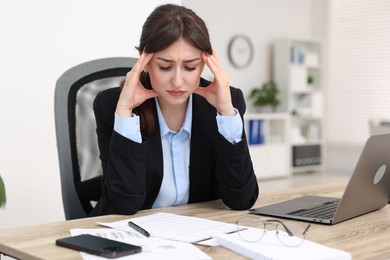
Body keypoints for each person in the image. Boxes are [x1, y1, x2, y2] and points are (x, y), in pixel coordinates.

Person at [90, 4, 259, 216]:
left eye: (190, 67)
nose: (178, 82)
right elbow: (122, 205)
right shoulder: (112, 105)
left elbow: (242, 199)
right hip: (133, 236)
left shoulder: (228, 102)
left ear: (206, 63)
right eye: (164, 66)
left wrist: (226, 112)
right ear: (145, 62)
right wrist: (125, 112)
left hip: (198, 232)